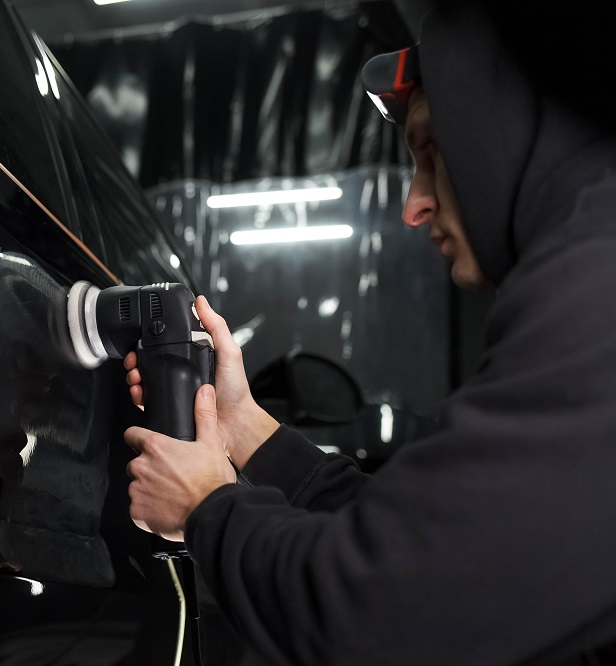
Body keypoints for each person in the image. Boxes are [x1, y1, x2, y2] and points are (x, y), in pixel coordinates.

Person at [122, 1, 616, 663]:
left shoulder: (597, 288)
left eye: (432, 151)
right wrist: (244, 428)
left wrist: (205, 509)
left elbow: (382, 609)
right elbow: (431, 540)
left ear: (505, 128)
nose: (414, 205)